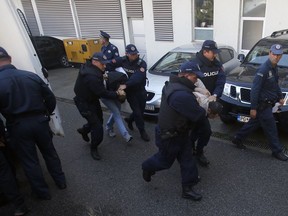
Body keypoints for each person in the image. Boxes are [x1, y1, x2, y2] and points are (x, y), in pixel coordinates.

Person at [0, 47, 66, 200]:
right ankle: (60, 181)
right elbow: (50, 97)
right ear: (10, 58)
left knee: (30, 161)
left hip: (17, 126)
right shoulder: (30, 76)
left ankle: (42, 192)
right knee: (50, 153)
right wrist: (47, 114)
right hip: (40, 121)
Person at [141, 61, 208, 201]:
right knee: (164, 161)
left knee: (187, 159)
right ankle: (147, 167)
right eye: (196, 77)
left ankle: (188, 188)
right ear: (186, 75)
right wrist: (211, 108)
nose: (197, 80)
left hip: (180, 132)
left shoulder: (174, 85)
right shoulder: (180, 95)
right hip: (169, 136)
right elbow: (198, 115)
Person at [232, 44, 288, 161]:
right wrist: (253, 108)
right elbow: (255, 90)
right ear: (270, 54)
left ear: (281, 56)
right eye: (274, 54)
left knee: (253, 123)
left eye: (279, 55)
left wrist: (280, 97)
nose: (276, 57)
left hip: (269, 103)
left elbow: (275, 85)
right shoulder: (263, 69)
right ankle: (276, 151)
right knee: (271, 128)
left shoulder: (274, 67)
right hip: (263, 105)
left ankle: (238, 138)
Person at [74, 52, 126, 160]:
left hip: (92, 100)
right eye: (102, 64)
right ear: (95, 62)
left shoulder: (90, 67)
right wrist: (117, 94)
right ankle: (94, 148)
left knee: (99, 120)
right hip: (84, 103)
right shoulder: (91, 77)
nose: (105, 66)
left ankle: (84, 130)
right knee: (97, 127)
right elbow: (102, 93)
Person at [190, 40, 226, 167]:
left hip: (209, 103)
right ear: (205, 51)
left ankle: (198, 152)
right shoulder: (194, 64)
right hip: (195, 104)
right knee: (193, 130)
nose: (215, 55)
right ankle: (189, 149)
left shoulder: (217, 64)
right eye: (213, 53)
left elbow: (221, 81)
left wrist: (215, 95)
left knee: (205, 131)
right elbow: (187, 84)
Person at [107, 44, 150, 142]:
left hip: (140, 90)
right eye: (132, 54)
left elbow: (138, 77)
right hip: (131, 92)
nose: (134, 56)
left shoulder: (141, 63)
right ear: (127, 54)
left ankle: (130, 120)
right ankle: (142, 131)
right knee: (138, 113)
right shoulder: (122, 60)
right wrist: (110, 75)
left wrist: (125, 85)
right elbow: (109, 64)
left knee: (140, 111)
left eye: (135, 54)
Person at [101, 69, 133, 142]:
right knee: (116, 113)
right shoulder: (122, 80)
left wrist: (119, 93)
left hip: (113, 93)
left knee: (117, 111)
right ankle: (126, 135)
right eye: (123, 92)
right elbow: (105, 94)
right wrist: (118, 93)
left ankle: (109, 127)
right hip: (105, 96)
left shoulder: (120, 81)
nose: (122, 91)